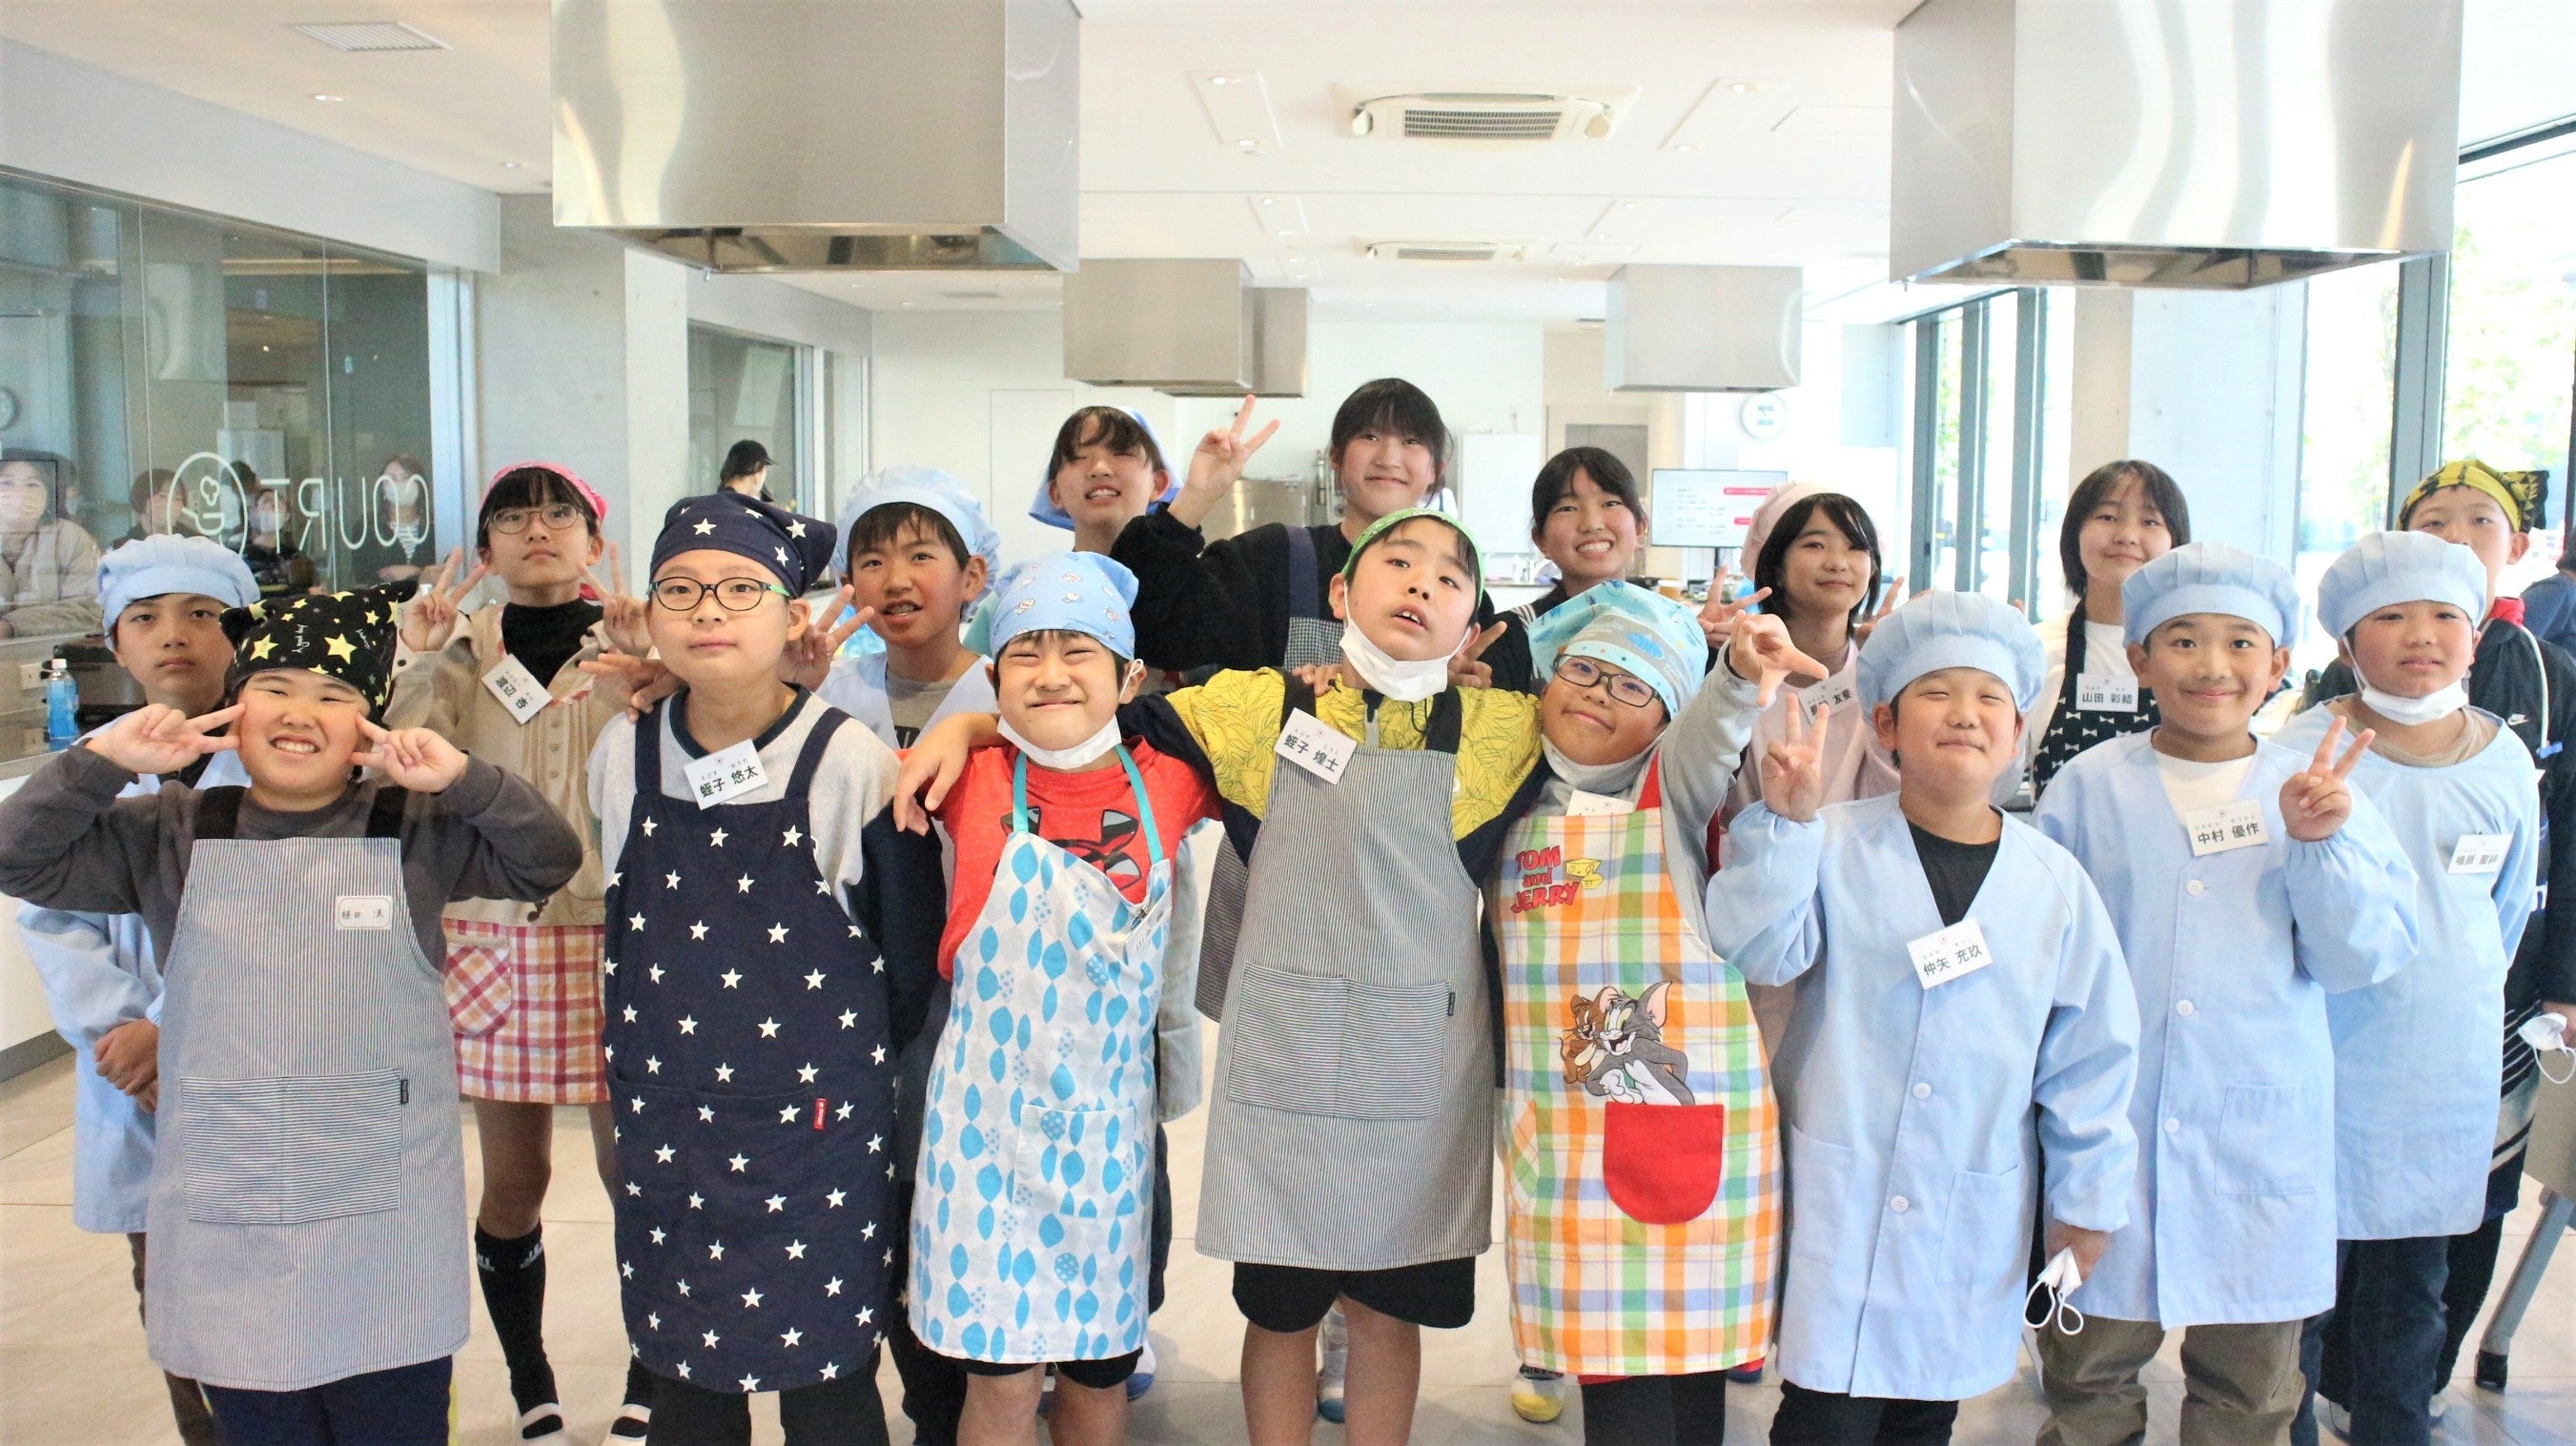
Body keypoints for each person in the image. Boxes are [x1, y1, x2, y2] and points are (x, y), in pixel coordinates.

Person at [907, 508, 1541, 1446]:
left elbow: (1621, 728)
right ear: (1339, 593)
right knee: (1279, 1310)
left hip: (1415, 1076)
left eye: (1450, 578)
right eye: (1398, 561)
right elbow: (1087, 723)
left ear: (1471, 625)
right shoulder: (1256, 708)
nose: (1421, 584)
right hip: (1283, 1069)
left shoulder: (1504, 726)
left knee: (1384, 1313)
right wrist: (967, 725)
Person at [0, 582, 583, 1444]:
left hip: (383, 1223)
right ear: (236, 709)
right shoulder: (171, 829)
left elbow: (549, 858)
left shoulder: (416, 828)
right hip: (232, 1212)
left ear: (368, 727)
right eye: (274, 688)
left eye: (335, 695)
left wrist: (463, 777)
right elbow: (18, 858)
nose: (300, 712)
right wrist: (102, 761)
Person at [1706, 590, 2142, 1446]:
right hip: (1841, 1185)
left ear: (2016, 733)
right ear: (1886, 724)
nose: (1965, 714)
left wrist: (2086, 1200)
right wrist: (1784, 825)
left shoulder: (2055, 882)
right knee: (1824, 1414)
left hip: (1971, 1194)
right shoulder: (1829, 838)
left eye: (1990, 698)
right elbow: (1759, 948)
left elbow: (2091, 1058)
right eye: (1936, 692)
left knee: (1925, 1415)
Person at [2030, 542, 2421, 1446]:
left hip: (2261, 1135)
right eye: (2183, 641)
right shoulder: (2088, 787)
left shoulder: (2319, 789)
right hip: (2107, 1125)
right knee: (2085, 1372)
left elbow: (2359, 956)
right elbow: (2044, 952)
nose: (2213, 665)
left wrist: (2322, 844)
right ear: (2139, 659)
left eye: (2241, 642)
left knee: (2252, 1390)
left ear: (2278, 663)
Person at [589, 490, 945, 1446]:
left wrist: (828, 1077)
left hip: (816, 1134)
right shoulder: (623, 749)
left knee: (829, 1387)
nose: (707, 610)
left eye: (740, 588)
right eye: (680, 589)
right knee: (686, 1388)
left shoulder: (850, 762)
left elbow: (908, 964)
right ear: (651, 614)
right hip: (670, 1125)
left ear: (792, 617)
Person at [901, 552, 1220, 1446]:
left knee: (1098, 1377)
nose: (1050, 674)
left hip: (1107, 1143)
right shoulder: (964, 774)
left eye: (1078, 651)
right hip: (982, 1141)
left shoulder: (1172, 779)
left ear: (1129, 678)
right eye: (1024, 653)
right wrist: (960, 729)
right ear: (993, 676)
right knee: (999, 1386)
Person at [1496, 582, 1821, 1446]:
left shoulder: (1669, 790)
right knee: (1617, 1384)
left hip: (1682, 1131)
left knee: (1688, 1374)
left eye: (1632, 685)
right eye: (1584, 671)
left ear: (1665, 721)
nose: (1599, 693)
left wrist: (1738, 673)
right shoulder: (1508, 793)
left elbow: (1715, 730)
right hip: (1564, 1143)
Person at [2297, 459, 2576, 1412]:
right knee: (2304, 1286)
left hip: (2446, 1064)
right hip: (2325, 1056)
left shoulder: (2503, 755)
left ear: (2475, 632)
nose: (2420, 634)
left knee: (2413, 1284)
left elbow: (2506, 908)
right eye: (2390, 615)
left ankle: (2393, 1420)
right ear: (2345, 640)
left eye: (2443, 615)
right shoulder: (2299, 751)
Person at [383, 461, 653, 1445]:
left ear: (594, 538)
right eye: (512, 516)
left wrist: (651, 668)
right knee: (512, 1182)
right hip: (493, 934)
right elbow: (405, 772)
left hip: (619, 932)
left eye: (557, 514)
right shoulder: (458, 646)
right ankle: (531, 1380)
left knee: (636, 1175)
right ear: (488, 545)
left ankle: (650, 1371)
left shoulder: (632, 640)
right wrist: (424, 660)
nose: (536, 530)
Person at [15, 536, 260, 1446]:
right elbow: (48, 914)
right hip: (135, 1078)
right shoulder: (89, 772)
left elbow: (272, 920)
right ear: (114, 641)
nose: (174, 635)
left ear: (240, 633)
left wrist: (171, 1028)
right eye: (146, 617)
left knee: (267, 1284)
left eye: (201, 614)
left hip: (253, 1067)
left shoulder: (278, 760)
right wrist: (124, 1033)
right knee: (169, 1288)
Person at [1489, 444, 1660, 1425]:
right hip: (1536, 910)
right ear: (1539, 535)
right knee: (1540, 1142)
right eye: (1566, 506)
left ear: (1639, 521)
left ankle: (1652, 1322)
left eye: (1609, 501)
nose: (1591, 520)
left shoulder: (1683, 625)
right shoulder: (1513, 637)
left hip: (1644, 918)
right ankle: (1544, 1343)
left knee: (1640, 1126)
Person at [1113, 386, 1533, 691]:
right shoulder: (1273, 559)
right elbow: (1145, 630)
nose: (1389, 457)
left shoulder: (1457, 590)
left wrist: (1459, 687)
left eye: (1411, 441)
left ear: (1435, 470)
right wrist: (1196, 497)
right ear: (1335, 456)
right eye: (1369, 437)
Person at [2021, 460, 2191, 800]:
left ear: (2176, 543)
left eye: (2149, 521)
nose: (2126, 535)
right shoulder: (2035, 649)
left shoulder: (2191, 655)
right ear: (2074, 534)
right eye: (2107, 516)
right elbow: (1997, 784)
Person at [809, 466, 1002, 747]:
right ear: (850, 588)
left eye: (920, 556)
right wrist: (787, 692)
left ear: (971, 577)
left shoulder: (1007, 697)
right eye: (873, 562)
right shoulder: (825, 691)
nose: (896, 582)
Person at [1032, 406, 1181, 557]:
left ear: (1158, 484)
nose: (1099, 469)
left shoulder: (1184, 571)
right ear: (1056, 493)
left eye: (1122, 453)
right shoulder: (1044, 572)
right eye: (1079, 457)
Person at [0, 448, 104, 637]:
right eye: (6, 483)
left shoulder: (71, 538)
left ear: (48, 496)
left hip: (49, 650)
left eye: (32, 485)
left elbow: (87, 609)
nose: (19, 493)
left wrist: (9, 626)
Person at [240, 473, 318, 599]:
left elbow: (314, 591)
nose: (271, 508)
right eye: (265, 502)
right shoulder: (241, 555)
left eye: (277, 504)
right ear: (253, 511)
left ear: (286, 517)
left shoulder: (294, 557)